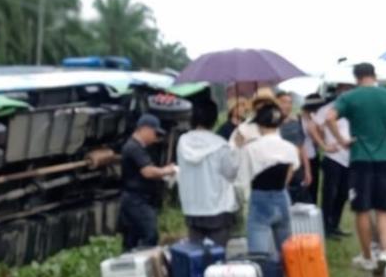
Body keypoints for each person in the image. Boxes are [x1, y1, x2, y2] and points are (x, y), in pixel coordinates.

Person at [325, 62, 386, 273]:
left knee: (362, 210)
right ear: (375, 76)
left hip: (360, 158)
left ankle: (367, 256)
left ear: (355, 77)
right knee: (384, 209)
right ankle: (385, 252)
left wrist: (341, 140)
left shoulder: (349, 97)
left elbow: (329, 117)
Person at [239, 103, 300, 257]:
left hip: (260, 197)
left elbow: (242, 178)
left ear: (259, 125)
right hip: (282, 196)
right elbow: (291, 171)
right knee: (287, 252)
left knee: (260, 257)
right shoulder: (290, 147)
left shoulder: (250, 148)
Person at [177, 100, 240, 246]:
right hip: (218, 208)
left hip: (192, 207)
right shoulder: (220, 145)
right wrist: (236, 148)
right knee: (217, 258)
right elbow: (231, 174)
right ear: (214, 119)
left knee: (196, 256)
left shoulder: (182, 142)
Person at [118, 114, 176, 250]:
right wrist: (167, 171)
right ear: (145, 129)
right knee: (149, 234)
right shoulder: (134, 148)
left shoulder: (138, 148)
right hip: (136, 200)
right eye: (154, 133)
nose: (156, 138)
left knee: (133, 238)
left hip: (135, 199)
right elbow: (147, 171)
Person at [314, 85, 353, 238]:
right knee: (329, 193)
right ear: (337, 91)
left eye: (349, 89)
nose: (346, 92)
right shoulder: (328, 109)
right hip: (333, 156)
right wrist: (324, 144)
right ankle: (325, 226)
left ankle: (335, 224)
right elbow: (314, 126)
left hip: (349, 157)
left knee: (343, 193)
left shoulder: (353, 108)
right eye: (343, 89)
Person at [276, 90, 314, 203]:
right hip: (279, 168)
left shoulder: (295, 123)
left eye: (290, 102)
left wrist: (307, 170)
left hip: (296, 169)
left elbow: (301, 146)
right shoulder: (270, 124)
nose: (287, 105)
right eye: (283, 102)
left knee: (302, 202)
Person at [297, 94, 326, 205]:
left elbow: (320, 140)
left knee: (313, 190)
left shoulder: (318, 120)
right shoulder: (299, 120)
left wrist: (319, 128)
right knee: (300, 190)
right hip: (299, 160)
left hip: (313, 157)